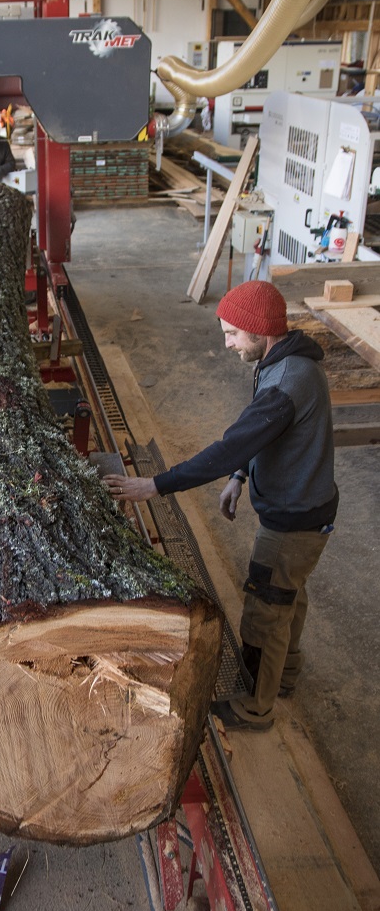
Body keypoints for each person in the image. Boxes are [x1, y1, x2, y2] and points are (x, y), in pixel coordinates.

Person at [103, 280, 338, 732]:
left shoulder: (287, 382)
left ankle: (255, 707)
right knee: (289, 593)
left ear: (259, 331)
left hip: (292, 523)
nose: (227, 343)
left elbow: (231, 445)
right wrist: (240, 476)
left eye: (232, 333)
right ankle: (285, 676)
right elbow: (263, 434)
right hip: (308, 510)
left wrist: (156, 484)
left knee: (265, 612)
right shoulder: (284, 360)